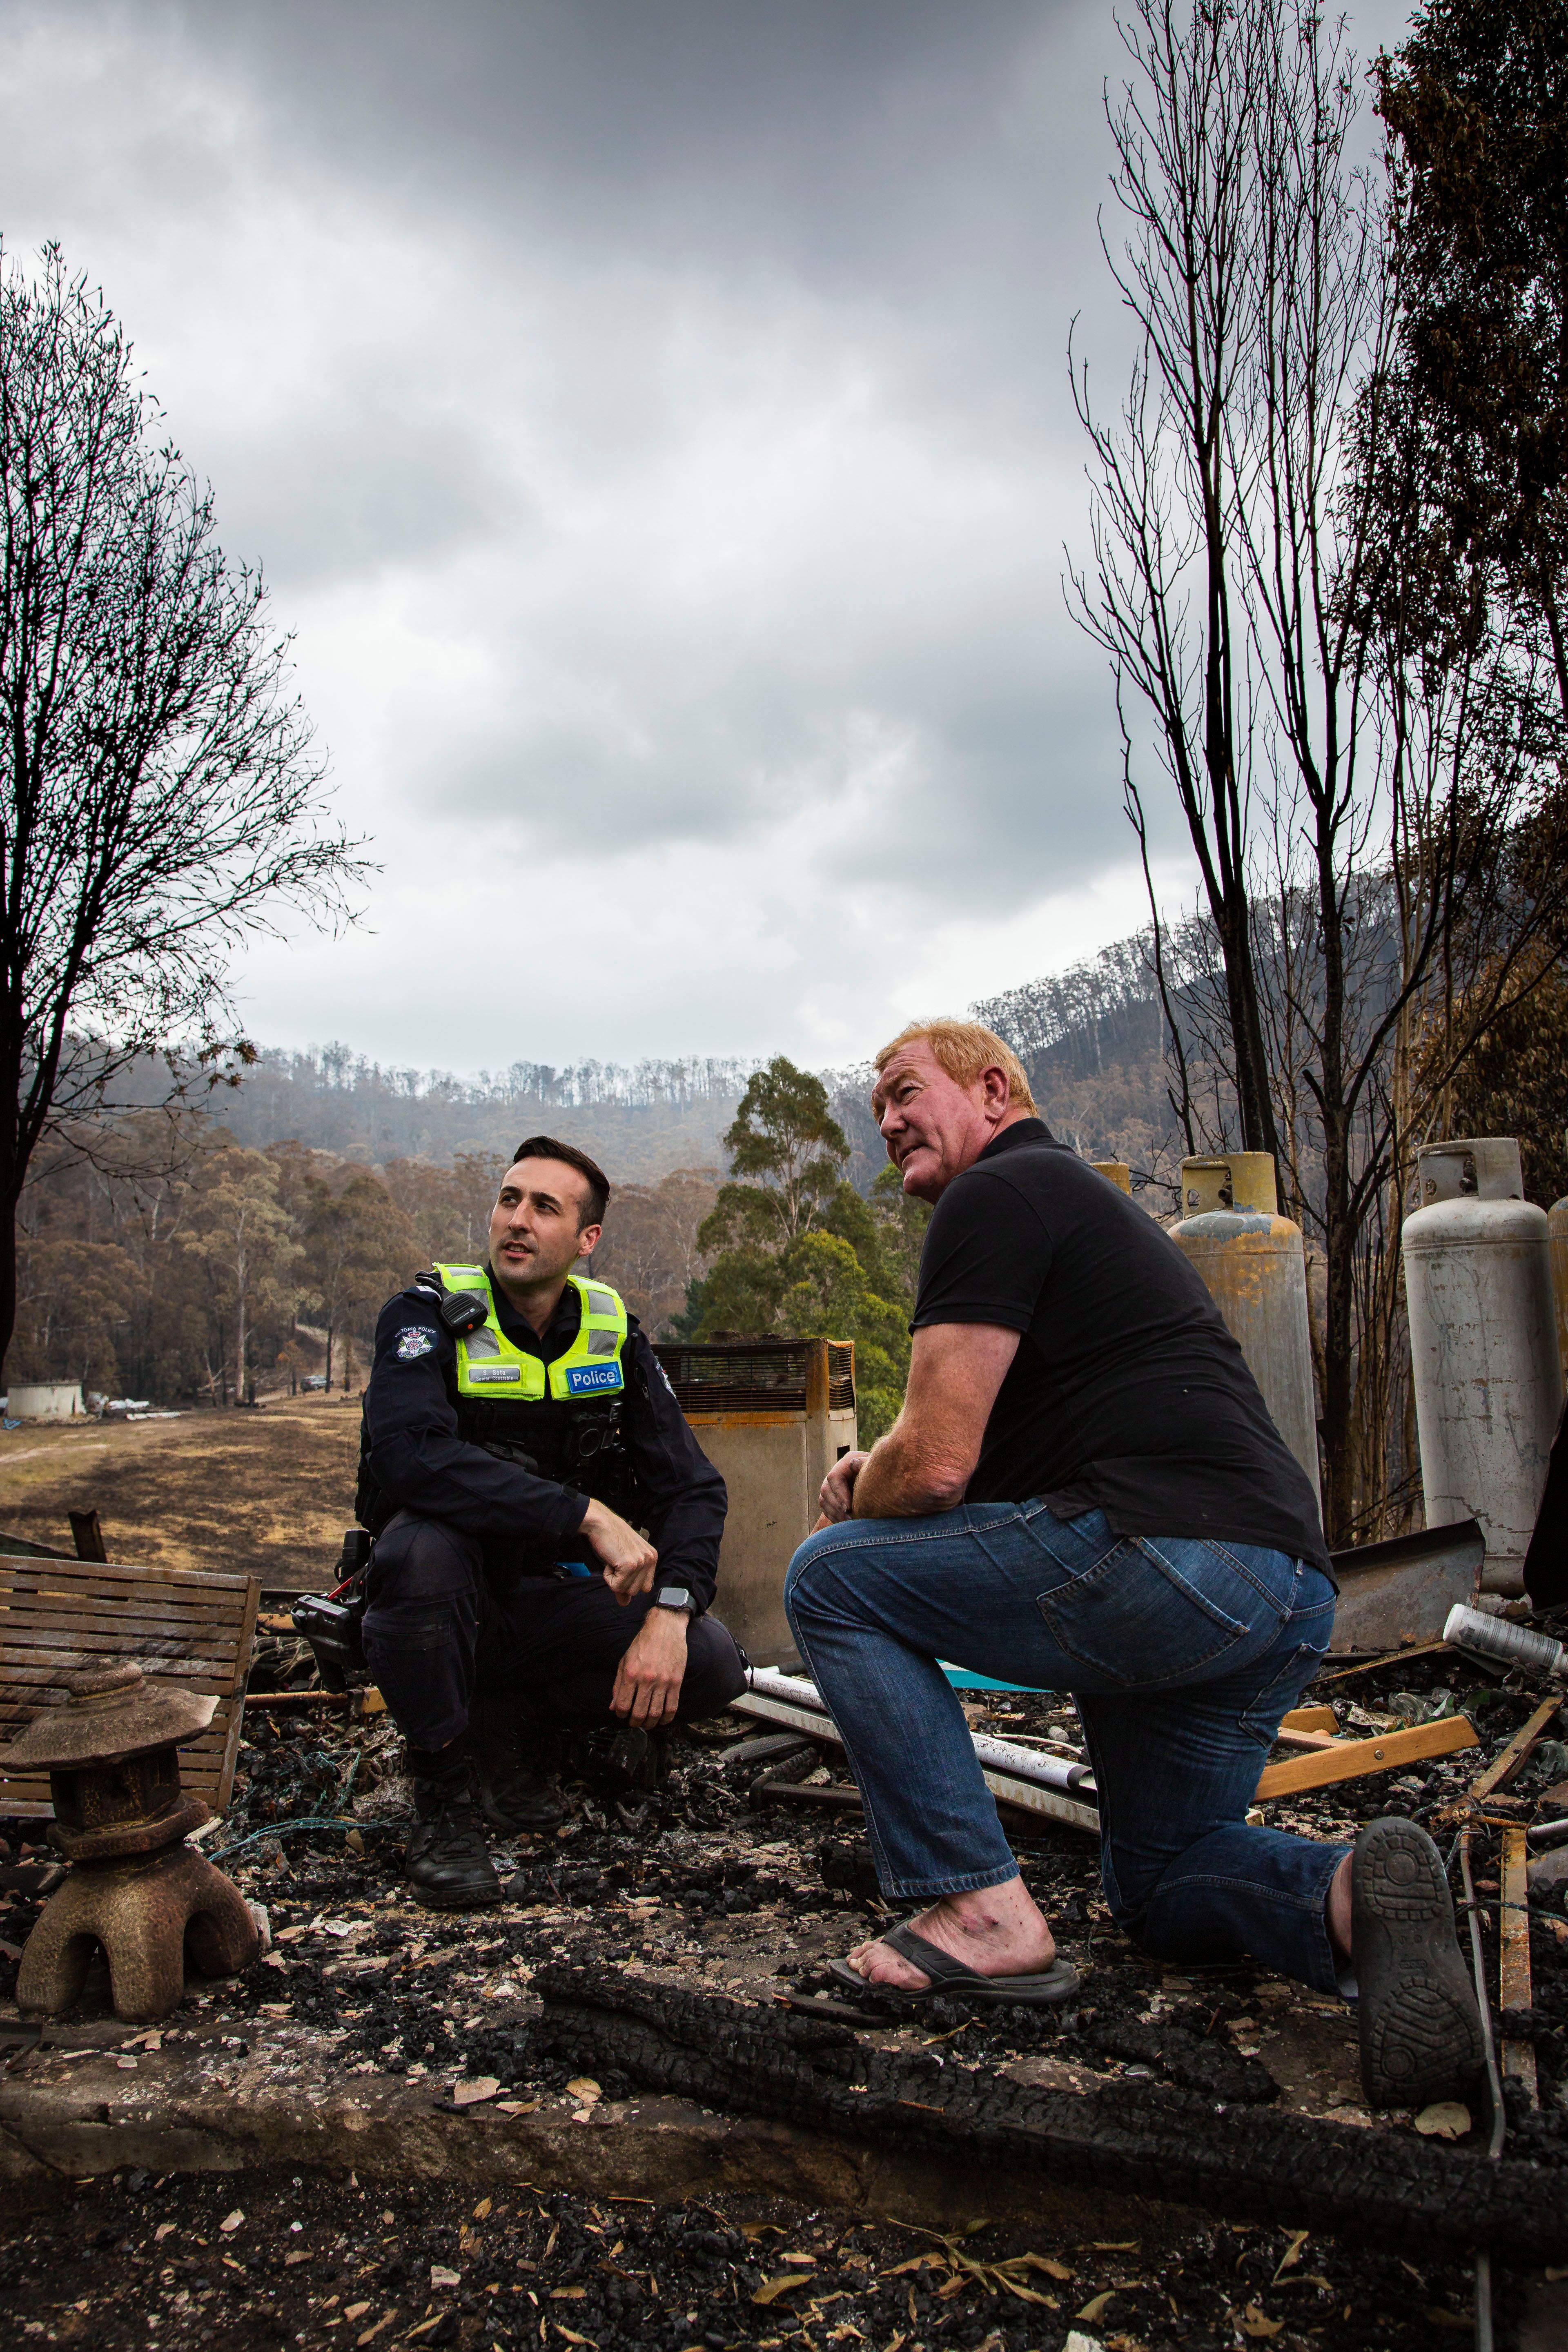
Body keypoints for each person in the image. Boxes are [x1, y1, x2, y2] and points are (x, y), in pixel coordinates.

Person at [784, 1020, 1484, 2111]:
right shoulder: (1076, 1210)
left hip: (1166, 1558)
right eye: (876, 1108)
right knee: (1159, 1884)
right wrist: (894, 1463)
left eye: (906, 1093)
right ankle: (1355, 1900)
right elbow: (977, 1462)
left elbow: (930, 1471)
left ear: (996, 1088)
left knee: (830, 1578)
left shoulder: (998, 1193)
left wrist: (858, 1484)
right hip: (1286, 1590)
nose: (887, 1123)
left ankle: (976, 1908)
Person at [357, 1136, 745, 1909]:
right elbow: (408, 1458)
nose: (518, 1220)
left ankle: (512, 1727)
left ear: (586, 1239)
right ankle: (442, 1794)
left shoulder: (613, 1334)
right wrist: (583, 1512)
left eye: (545, 1207)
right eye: (509, 1199)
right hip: (451, 1598)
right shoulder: (426, 1314)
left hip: (556, 1602)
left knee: (712, 1664)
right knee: (419, 1555)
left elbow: (694, 1488)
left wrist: (672, 1609)